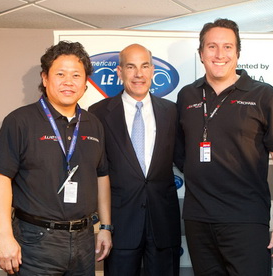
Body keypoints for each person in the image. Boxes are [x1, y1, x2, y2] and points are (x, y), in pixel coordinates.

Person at [175, 18, 273, 275]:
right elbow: (181, 152)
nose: (220, 54)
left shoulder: (264, 95)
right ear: (200, 53)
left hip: (246, 220)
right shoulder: (187, 95)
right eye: (212, 46)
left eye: (227, 47)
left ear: (238, 53)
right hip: (198, 220)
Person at [0, 41, 112, 275]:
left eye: (76, 75)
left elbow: (101, 176)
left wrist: (105, 226)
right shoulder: (20, 121)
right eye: (60, 74)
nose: (68, 81)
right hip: (35, 241)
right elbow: (1, 178)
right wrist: (4, 236)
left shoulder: (93, 124)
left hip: (85, 240)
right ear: (45, 78)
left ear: (86, 83)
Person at [89, 44, 181, 276]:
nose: (139, 74)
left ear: (152, 71)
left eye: (145, 66)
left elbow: (185, 159)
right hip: (120, 225)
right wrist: (105, 226)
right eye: (131, 67)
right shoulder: (98, 113)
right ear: (119, 72)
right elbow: (97, 171)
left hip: (163, 223)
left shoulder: (172, 112)